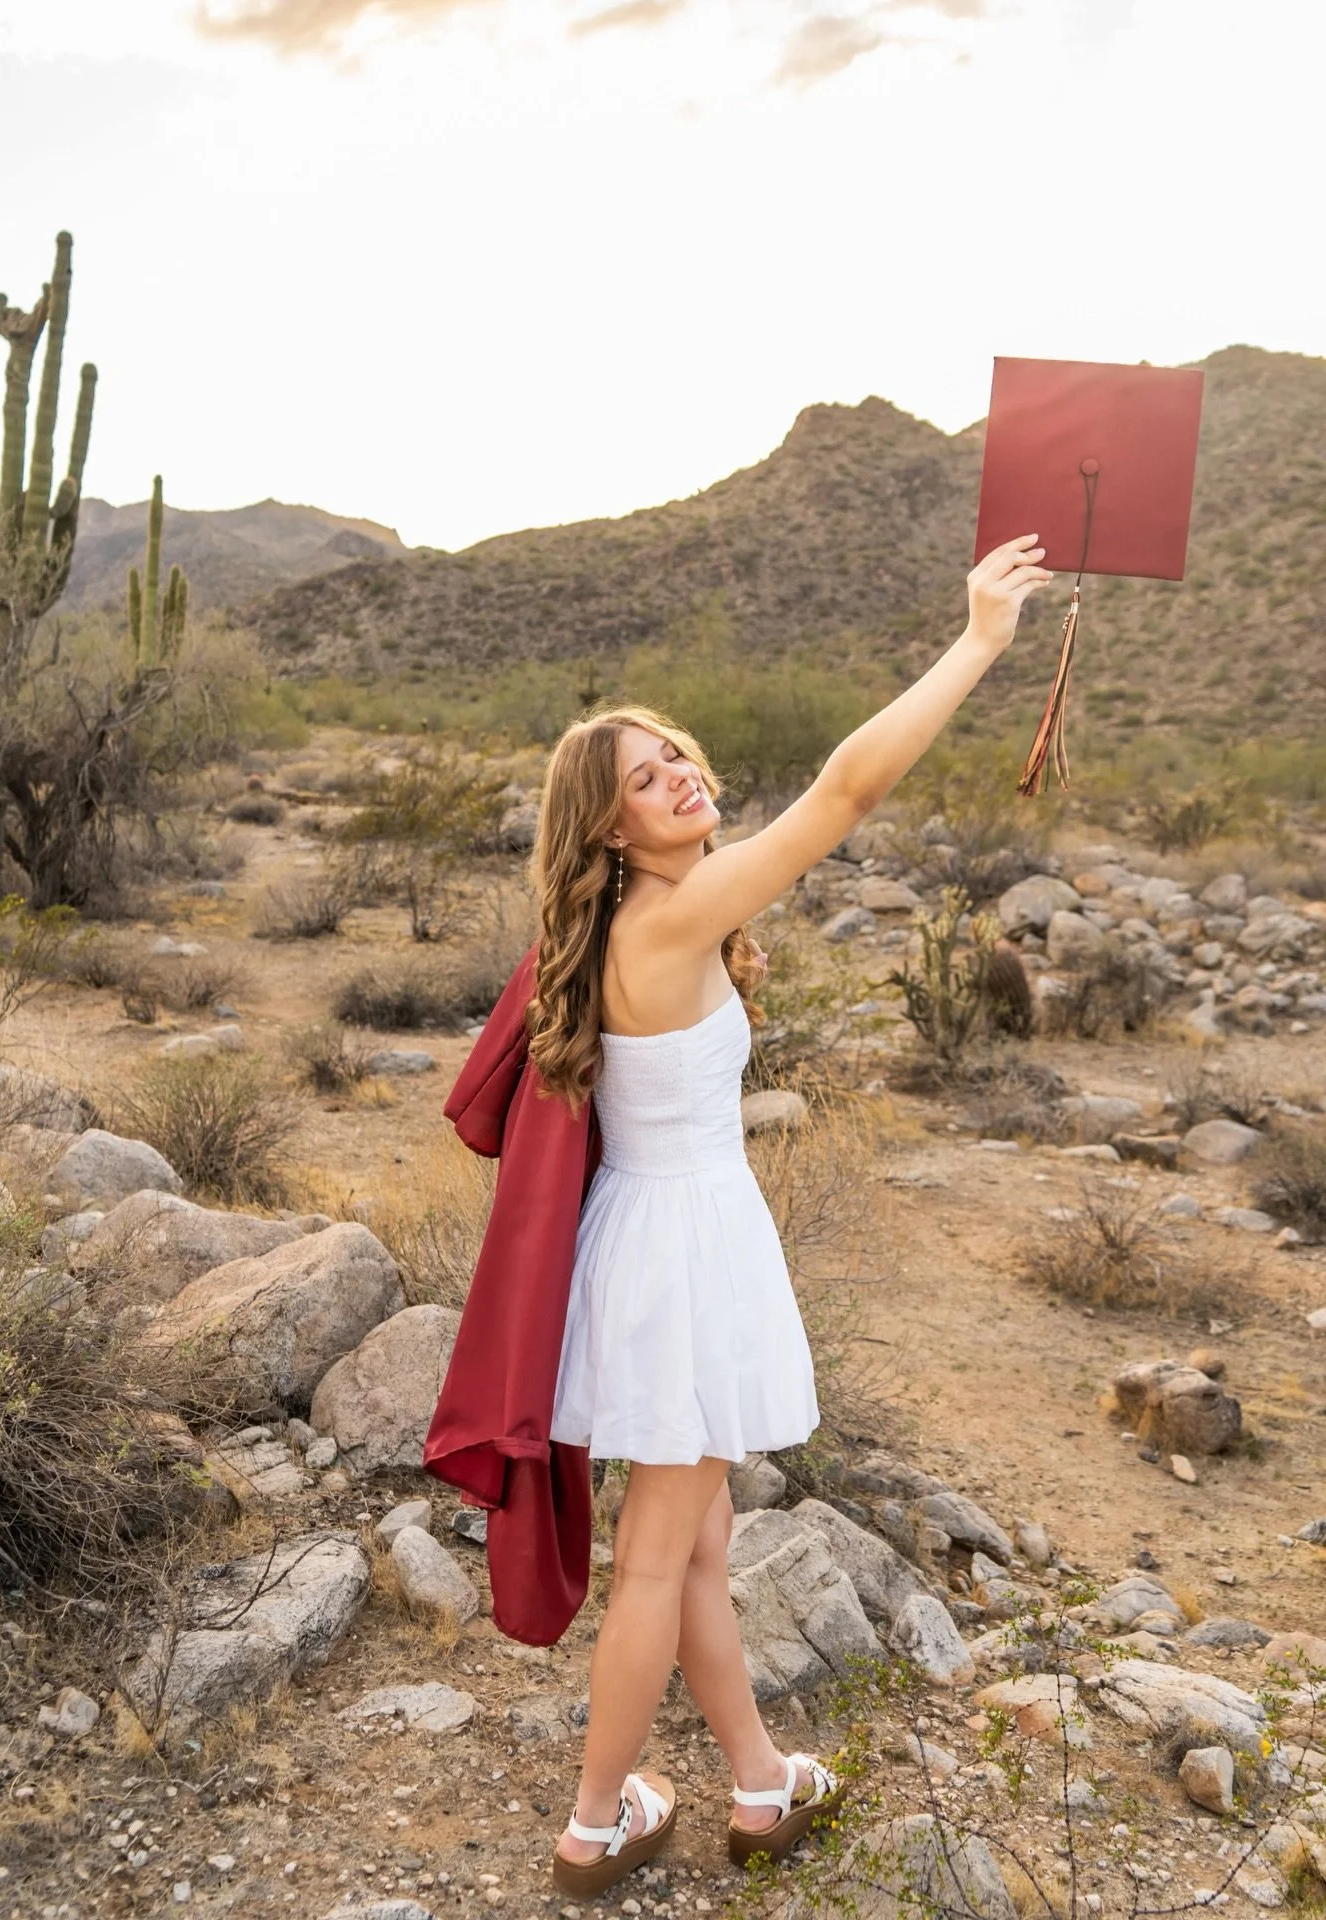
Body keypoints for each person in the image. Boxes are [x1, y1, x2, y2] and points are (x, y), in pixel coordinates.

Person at [534, 536, 1052, 1896]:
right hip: (689, 1249)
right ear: (610, 828)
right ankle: (598, 1819)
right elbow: (847, 786)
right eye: (646, 780)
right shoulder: (683, 909)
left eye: (678, 756)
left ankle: (760, 1784)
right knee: (656, 1556)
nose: (680, 778)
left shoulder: (629, 924)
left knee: (696, 1539)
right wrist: (981, 642)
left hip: (655, 1239)